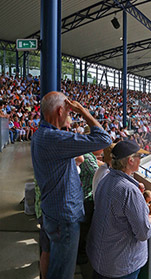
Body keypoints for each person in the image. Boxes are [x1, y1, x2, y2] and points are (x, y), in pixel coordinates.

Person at [32, 91, 112, 278]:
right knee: (63, 272)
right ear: (60, 111)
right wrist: (84, 112)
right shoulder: (55, 139)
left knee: (56, 264)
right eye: (69, 112)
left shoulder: (41, 135)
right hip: (64, 218)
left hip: (53, 212)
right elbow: (104, 140)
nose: (70, 116)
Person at [87, 140, 151, 279]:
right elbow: (143, 233)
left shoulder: (104, 179)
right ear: (130, 161)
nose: (141, 160)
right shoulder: (129, 191)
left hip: (101, 259)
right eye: (139, 157)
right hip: (121, 266)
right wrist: (147, 220)